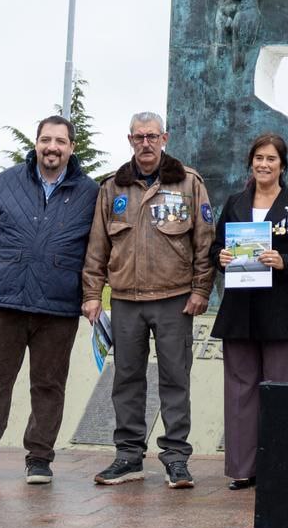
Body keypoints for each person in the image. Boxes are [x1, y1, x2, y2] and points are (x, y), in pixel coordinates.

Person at [0, 116, 99, 484]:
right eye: (46, 140)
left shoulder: (90, 192)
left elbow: (98, 249)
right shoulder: (6, 181)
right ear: (36, 143)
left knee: (49, 386)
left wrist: (91, 294)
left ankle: (40, 459)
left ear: (71, 147)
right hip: (5, 302)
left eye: (60, 141)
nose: (52, 147)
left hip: (58, 307)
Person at [83, 112, 214, 488]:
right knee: (126, 380)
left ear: (164, 139)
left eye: (152, 136)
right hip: (126, 299)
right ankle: (128, 456)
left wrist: (201, 289)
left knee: (175, 379)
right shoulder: (112, 187)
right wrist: (92, 294)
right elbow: (97, 245)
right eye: (139, 137)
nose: (146, 143)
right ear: (130, 140)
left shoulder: (188, 183)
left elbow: (204, 240)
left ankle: (176, 458)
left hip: (174, 299)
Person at [209, 133, 288, 490]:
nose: (264, 164)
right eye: (259, 158)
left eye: (271, 159)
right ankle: (243, 468)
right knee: (240, 391)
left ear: (282, 165)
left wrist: (284, 261)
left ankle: (282, 466)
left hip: (279, 310)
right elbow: (216, 247)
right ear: (250, 163)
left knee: (282, 389)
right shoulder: (235, 203)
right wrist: (222, 257)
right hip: (239, 311)